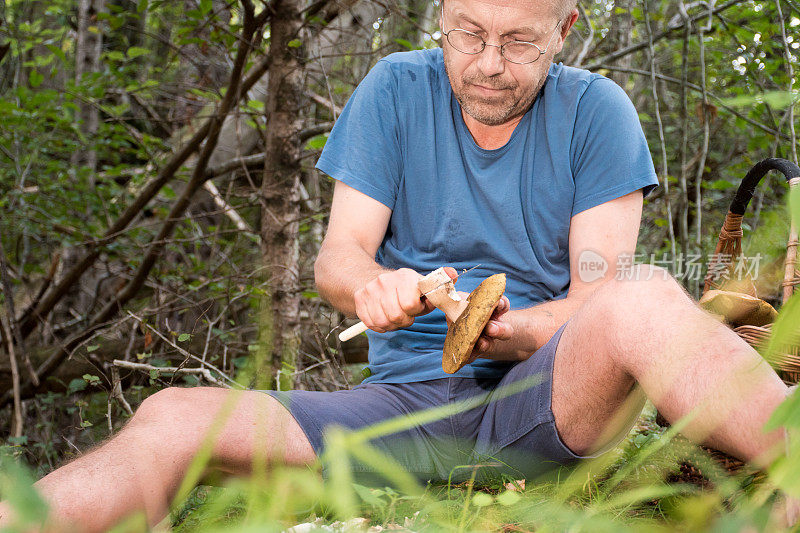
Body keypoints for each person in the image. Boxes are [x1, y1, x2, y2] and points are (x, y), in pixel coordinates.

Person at [0, 0, 792, 530]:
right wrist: (371, 285)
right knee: (173, 416)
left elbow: (596, 298)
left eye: (519, 40)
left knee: (641, 295)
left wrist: (500, 330)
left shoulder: (597, 114)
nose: (488, 62)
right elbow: (339, 257)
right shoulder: (393, 91)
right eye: (467, 32)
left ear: (565, 28)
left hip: (548, 398)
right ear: (441, 17)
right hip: (401, 409)